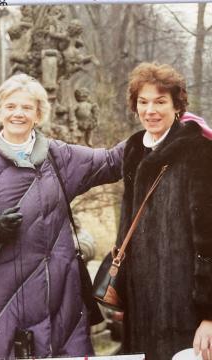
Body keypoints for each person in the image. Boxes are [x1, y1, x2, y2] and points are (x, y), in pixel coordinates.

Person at [0, 73, 125, 359]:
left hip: (59, 302)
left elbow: (111, 161)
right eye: (10, 106)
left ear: (39, 113)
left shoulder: (61, 157)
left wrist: (161, 128)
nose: (18, 113)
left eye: (27, 107)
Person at [116, 62, 212, 360]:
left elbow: (208, 240)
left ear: (177, 106)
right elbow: (125, 227)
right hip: (141, 305)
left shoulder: (198, 150)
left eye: (160, 102)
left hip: (185, 308)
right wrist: (121, 294)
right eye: (143, 102)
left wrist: (209, 316)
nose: (151, 111)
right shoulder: (134, 149)